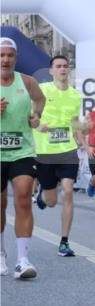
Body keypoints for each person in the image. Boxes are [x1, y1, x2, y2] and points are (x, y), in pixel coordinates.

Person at [0, 37, 45, 279]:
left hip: (22, 151)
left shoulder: (27, 82)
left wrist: (35, 115)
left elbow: (40, 99)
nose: (5, 59)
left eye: (9, 55)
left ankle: (23, 260)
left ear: (16, 58)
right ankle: (0, 254)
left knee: (24, 199)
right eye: (1, 55)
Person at [32, 55, 85, 256]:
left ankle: (64, 242)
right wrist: (38, 125)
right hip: (45, 151)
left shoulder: (75, 95)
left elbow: (74, 121)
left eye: (65, 66)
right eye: (58, 66)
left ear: (68, 70)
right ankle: (43, 197)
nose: (63, 69)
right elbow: (31, 116)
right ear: (51, 71)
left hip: (67, 150)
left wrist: (83, 141)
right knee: (52, 201)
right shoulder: (42, 91)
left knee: (69, 192)